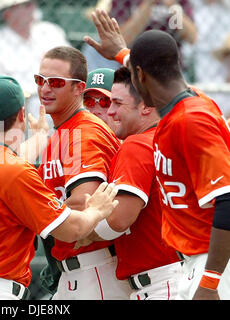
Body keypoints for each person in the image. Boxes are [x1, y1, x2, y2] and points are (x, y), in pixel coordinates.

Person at [85, 8, 230, 300]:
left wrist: (211, 281)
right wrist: (123, 53)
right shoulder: (187, 101)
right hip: (192, 263)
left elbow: (227, 201)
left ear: (140, 75)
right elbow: (153, 71)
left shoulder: (192, 120)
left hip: (213, 264)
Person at [0, 74, 119, 300]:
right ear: (22, 114)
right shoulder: (13, 170)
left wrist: (39, 135)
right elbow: (72, 229)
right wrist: (97, 210)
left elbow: (11, 160)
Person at [76, 66, 182, 300]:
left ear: (145, 106)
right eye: (89, 102)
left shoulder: (137, 145)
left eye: (114, 103)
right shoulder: (169, 135)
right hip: (175, 273)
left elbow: (118, 220)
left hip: (161, 281)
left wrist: (84, 229)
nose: (109, 112)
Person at [36, 46, 131, 300]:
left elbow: (83, 203)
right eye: (40, 80)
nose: (45, 89)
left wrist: (34, 215)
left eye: (55, 82)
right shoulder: (60, 133)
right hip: (77, 269)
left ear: (76, 87)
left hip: (95, 268)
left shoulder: (85, 130)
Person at [0, 0, 70, 120]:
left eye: (32, 3)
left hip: (59, 112)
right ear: (7, 13)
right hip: (20, 118)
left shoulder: (51, 32)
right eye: (25, 5)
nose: (33, 7)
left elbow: (73, 66)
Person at [83, 68, 117, 132]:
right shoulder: (73, 139)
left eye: (106, 102)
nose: (95, 111)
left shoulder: (136, 140)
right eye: (89, 102)